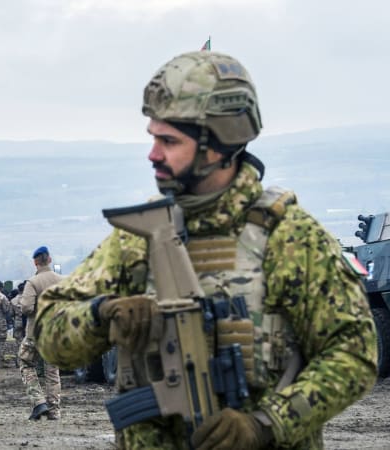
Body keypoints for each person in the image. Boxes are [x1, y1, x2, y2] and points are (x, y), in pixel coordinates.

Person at [34, 50, 377, 449]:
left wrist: (267, 424)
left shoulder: (290, 238)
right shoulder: (139, 237)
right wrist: (102, 313)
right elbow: (50, 331)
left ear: (217, 145)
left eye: (168, 140)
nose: (153, 153)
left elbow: (354, 353)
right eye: (153, 137)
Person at [20, 246, 62, 420]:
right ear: (50, 260)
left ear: (35, 262)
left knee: (25, 364)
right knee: (52, 371)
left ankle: (38, 401)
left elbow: (26, 307)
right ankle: (54, 410)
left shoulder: (33, 282)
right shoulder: (62, 280)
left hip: (35, 333)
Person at [9, 283, 26, 368]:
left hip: (17, 321)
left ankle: (18, 362)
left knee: (18, 343)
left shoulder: (13, 300)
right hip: (27, 322)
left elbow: (11, 313)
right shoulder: (28, 299)